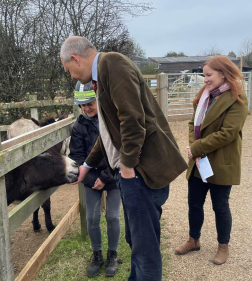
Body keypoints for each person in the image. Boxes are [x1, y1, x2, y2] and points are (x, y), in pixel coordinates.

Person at [60, 36, 187, 281]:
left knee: (145, 248)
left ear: (75, 59)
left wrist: (128, 167)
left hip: (140, 173)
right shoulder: (102, 75)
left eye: (69, 71)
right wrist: (87, 165)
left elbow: (132, 120)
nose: (72, 77)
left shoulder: (112, 64)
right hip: (132, 174)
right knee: (135, 241)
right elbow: (109, 132)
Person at [175, 55, 248, 265]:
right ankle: (193, 239)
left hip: (220, 162)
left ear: (223, 74)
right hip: (199, 162)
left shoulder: (237, 100)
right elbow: (192, 124)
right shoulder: (204, 96)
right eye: (204, 75)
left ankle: (223, 246)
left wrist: (196, 147)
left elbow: (228, 133)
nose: (205, 79)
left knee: (220, 206)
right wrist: (194, 145)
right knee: (194, 204)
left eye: (209, 75)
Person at [69, 81, 121, 278]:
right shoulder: (79, 126)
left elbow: (118, 152)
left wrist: (105, 177)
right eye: (82, 105)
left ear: (98, 100)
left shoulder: (112, 121)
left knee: (113, 216)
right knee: (91, 217)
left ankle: (112, 254)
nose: (86, 108)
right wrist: (93, 180)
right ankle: (97, 254)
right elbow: (77, 158)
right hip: (91, 178)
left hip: (114, 175)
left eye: (90, 103)